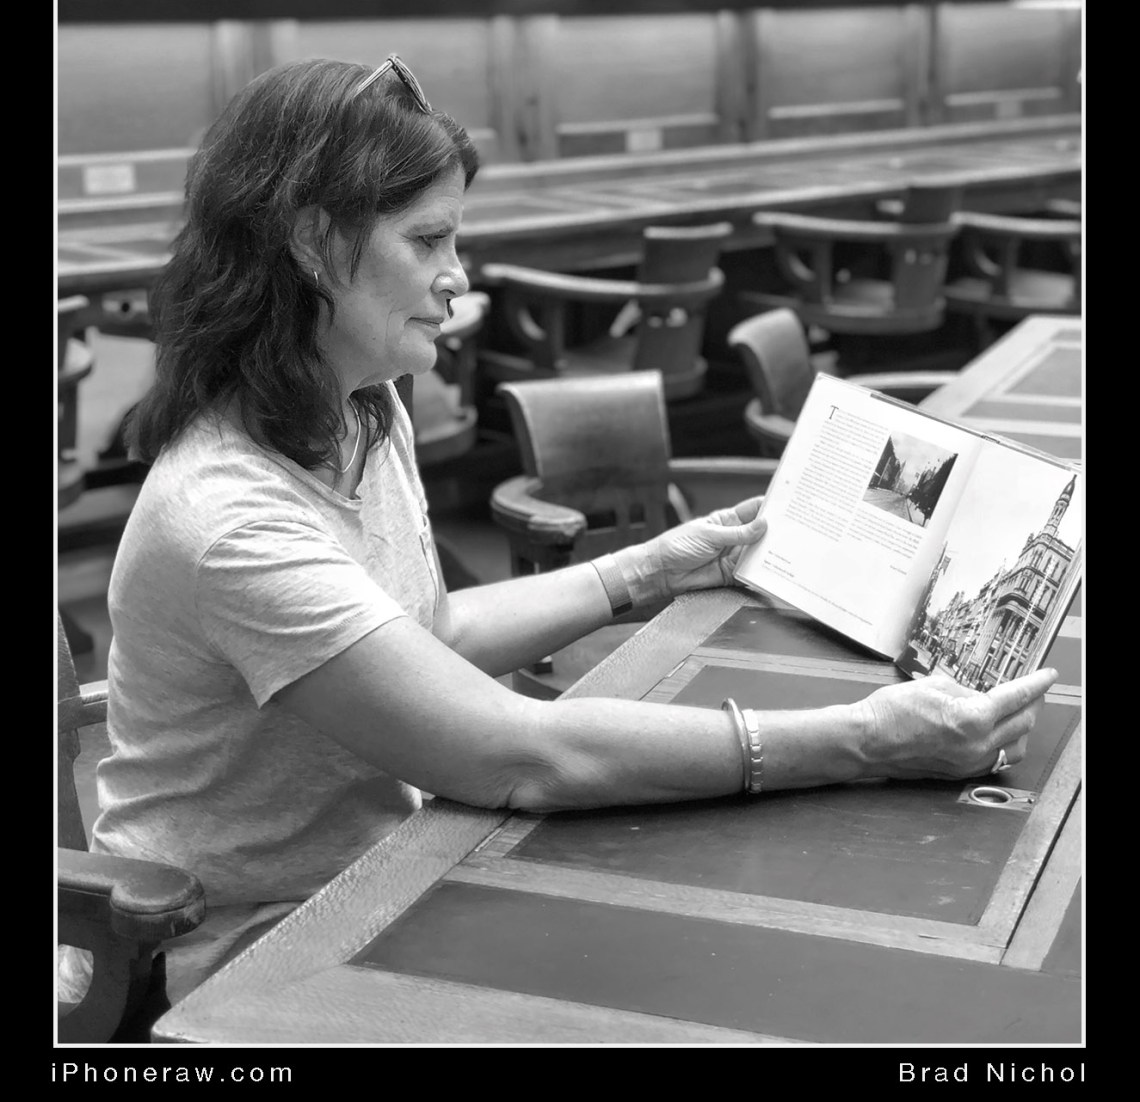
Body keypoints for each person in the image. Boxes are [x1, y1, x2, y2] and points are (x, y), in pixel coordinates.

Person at [62, 55, 1056, 1011]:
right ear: (314, 244)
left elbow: (433, 633)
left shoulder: (361, 406)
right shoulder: (228, 520)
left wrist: (649, 569)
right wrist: (866, 741)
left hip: (397, 863)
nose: (458, 276)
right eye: (428, 241)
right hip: (249, 945)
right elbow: (516, 756)